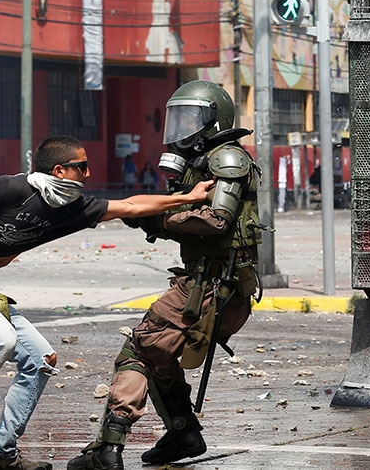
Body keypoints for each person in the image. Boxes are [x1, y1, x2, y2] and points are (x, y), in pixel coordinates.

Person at [0, 136, 214, 470]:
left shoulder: (76, 208)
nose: (89, 174)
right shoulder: (15, 189)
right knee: (1, 341)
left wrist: (188, 197)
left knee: (41, 359)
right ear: (60, 170)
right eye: (82, 166)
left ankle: (2, 454)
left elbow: (131, 205)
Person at [67, 80, 263, 470]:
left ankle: (108, 449)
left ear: (213, 120)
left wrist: (161, 218)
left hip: (211, 285)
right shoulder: (203, 160)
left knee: (140, 347)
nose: (183, 127)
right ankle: (183, 431)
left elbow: (217, 219)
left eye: (192, 117)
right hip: (206, 282)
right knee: (159, 353)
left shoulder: (227, 159)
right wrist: (148, 218)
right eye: (180, 117)